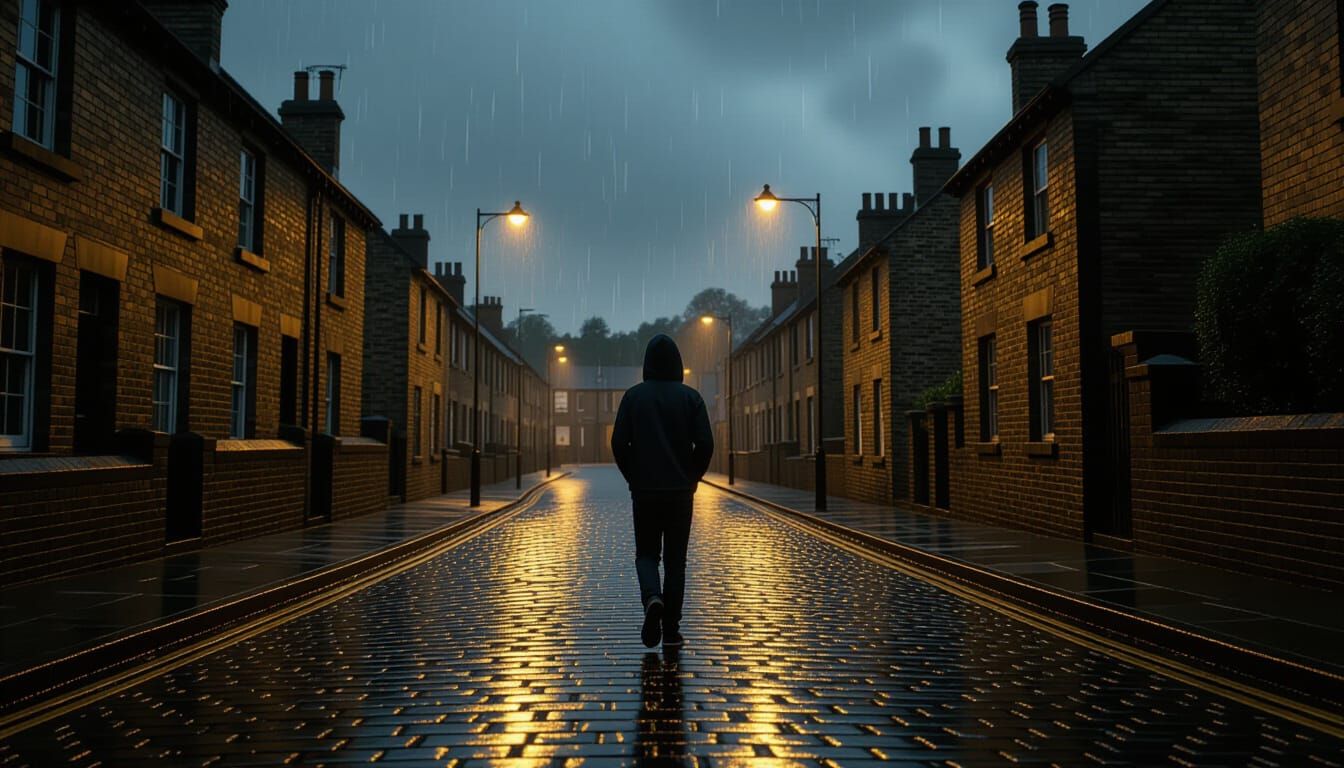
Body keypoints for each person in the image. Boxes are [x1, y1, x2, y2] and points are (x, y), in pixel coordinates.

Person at [611, 334, 714, 648]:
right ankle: (671, 629)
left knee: (646, 554)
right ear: (678, 364)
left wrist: (634, 475)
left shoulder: (633, 397)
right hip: (680, 493)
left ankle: (652, 598)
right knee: (675, 562)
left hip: (645, 491)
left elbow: (618, 443)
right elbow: (706, 444)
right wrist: (692, 476)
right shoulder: (691, 398)